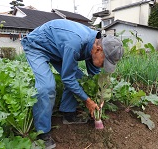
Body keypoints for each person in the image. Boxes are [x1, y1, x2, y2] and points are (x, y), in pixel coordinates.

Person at [21, 19, 124, 149]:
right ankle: (42, 133)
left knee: (80, 79)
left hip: (58, 49)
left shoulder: (95, 43)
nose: (104, 66)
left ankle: (68, 114)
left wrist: (99, 96)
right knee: (46, 87)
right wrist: (87, 101)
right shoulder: (75, 42)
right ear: (98, 50)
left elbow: (93, 76)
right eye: (104, 63)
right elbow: (67, 79)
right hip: (37, 46)